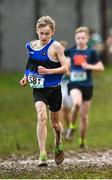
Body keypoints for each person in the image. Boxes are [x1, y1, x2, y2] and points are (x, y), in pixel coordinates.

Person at [19, 16, 68, 166]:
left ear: (52, 32)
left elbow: (65, 68)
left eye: (47, 33)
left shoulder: (57, 47)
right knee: (41, 116)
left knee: (55, 124)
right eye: (41, 33)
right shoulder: (31, 46)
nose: (44, 36)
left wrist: (48, 71)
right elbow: (30, 65)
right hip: (39, 89)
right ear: (37, 32)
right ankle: (42, 154)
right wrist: (26, 77)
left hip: (54, 90)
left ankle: (58, 142)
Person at [65, 27, 104, 149]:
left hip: (87, 85)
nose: (80, 40)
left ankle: (82, 140)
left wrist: (89, 66)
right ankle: (71, 127)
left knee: (84, 116)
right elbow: (63, 62)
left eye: (83, 38)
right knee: (76, 104)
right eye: (78, 38)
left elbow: (101, 67)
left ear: (87, 39)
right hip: (74, 84)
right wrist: (67, 69)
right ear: (75, 39)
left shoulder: (91, 52)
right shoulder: (70, 51)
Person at [59, 40, 73, 135]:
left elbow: (72, 75)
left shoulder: (69, 60)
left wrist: (66, 70)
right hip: (59, 86)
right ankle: (61, 130)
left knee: (67, 111)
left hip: (67, 86)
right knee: (61, 109)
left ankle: (70, 128)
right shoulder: (55, 59)